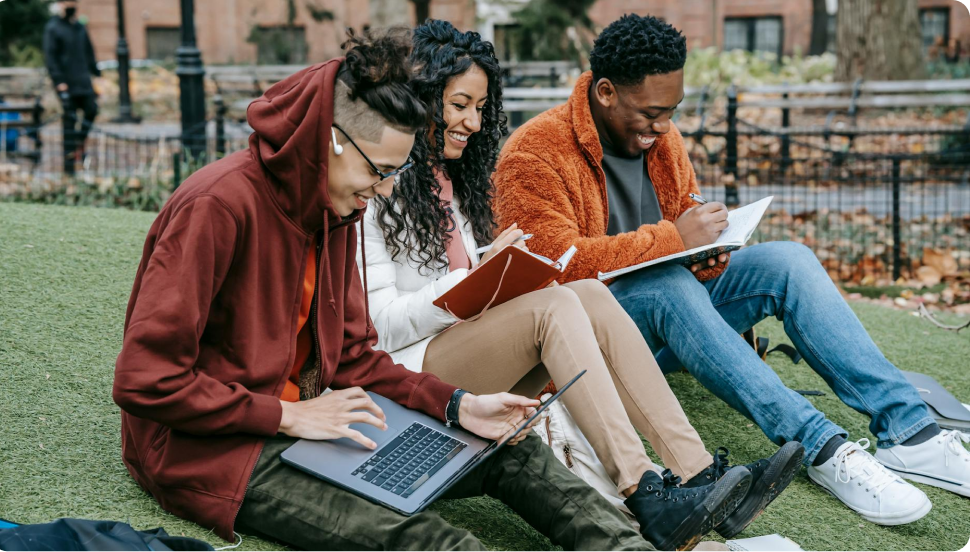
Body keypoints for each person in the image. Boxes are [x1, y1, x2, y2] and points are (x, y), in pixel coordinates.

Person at [112, 29, 654, 552]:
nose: (386, 189)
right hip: (217, 451)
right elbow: (145, 378)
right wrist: (287, 416)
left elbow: (353, 357)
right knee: (436, 544)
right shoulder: (215, 207)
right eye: (381, 170)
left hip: (321, 418)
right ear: (332, 142)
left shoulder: (336, 208)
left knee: (509, 451)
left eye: (397, 171)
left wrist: (459, 406)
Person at [493, 14, 970, 526]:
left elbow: (684, 214)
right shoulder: (534, 151)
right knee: (663, 284)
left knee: (788, 260)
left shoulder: (662, 136)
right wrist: (675, 241)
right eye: (651, 113)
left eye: (672, 112)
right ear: (606, 92)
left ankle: (910, 433)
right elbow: (549, 271)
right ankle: (824, 448)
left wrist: (707, 249)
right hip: (594, 336)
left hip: (674, 309)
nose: (662, 128)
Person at [359, 20, 801, 551]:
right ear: (420, 96)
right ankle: (644, 489)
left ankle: (696, 474)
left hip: (469, 347)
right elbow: (378, 326)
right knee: (556, 306)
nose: (473, 122)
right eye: (458, 105)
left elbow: (470, 281)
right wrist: (473, 280)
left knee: (585, 294)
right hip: (411, 372)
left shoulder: (459, 181)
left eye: (480, 108)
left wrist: (493, 270)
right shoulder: (371, 185)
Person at [43, 0, 100, 175]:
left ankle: (77, 144)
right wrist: (59, 81)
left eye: (73, 1)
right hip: (66, 84)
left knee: (92, 110)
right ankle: (69, 169)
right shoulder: (53, 27)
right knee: (69, 122)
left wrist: (98, 75)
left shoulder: (80, 27)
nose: (70, 5)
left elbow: (89, 53)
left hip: (84, 82)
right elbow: (50, 57)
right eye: (67, 2)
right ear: (60, 4)